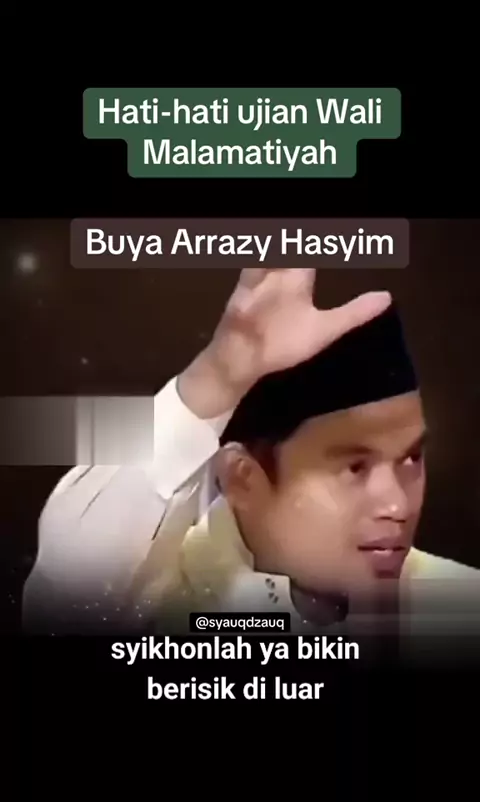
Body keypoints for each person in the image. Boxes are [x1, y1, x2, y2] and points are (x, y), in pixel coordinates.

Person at [22, 268, 479, 637]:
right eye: (355, 467)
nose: (398, 505)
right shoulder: (154, 599)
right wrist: (215, 379)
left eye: (411, 459)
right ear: (243, 478)